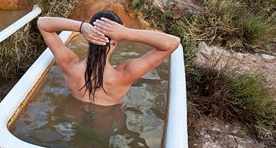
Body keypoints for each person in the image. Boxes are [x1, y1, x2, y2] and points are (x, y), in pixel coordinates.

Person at [37, 10, 180, 106]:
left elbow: (42, 23)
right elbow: (172, 43)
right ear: (115, 42)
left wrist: (82, 27)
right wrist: (127, 33)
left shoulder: (69, 65)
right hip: (107, 128)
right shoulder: (124, 75)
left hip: (75, 119)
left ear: (88, 38)